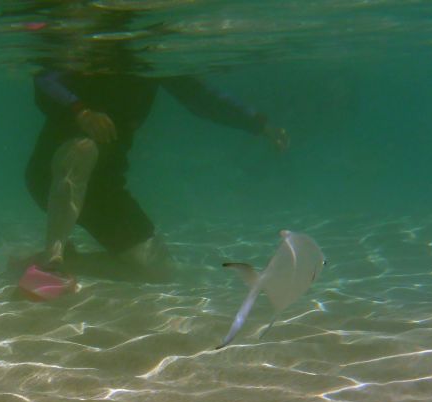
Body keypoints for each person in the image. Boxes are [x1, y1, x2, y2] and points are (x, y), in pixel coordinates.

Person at [23, 16, 289, 280]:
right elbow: (45, 80)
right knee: (84, 147)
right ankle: (52, 259)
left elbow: (203, 98)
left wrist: (259, 124)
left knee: (158, 270)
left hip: (103, 187)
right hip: (50, 177)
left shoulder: (151, 63)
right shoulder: (85, 51)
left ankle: (69, 263)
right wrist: (80, 111)